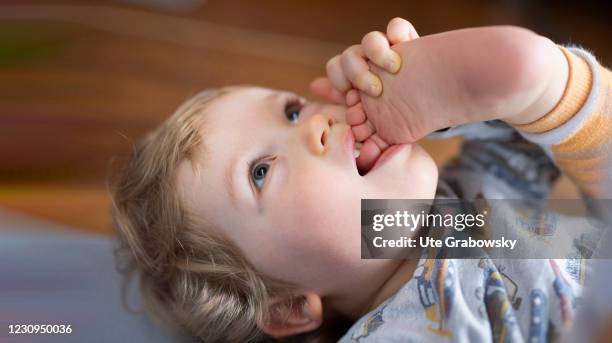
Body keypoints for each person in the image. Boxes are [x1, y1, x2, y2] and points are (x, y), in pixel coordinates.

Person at [110, 17, 611, 342]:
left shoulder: (465, 203)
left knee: (541, 108)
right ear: (286, 308)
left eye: (290, 111)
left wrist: (444, 100)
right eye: (260, 172)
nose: (315, 125)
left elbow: (523, 143)